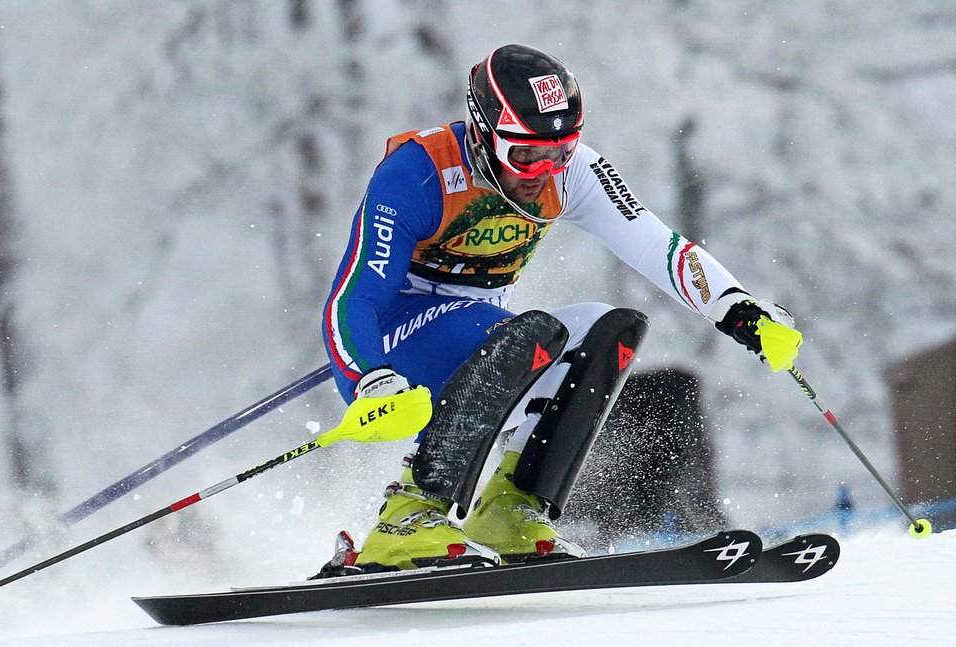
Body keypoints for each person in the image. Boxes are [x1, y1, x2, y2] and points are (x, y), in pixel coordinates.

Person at [321, 44, 801, 571]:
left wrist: (736, 308)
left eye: (561, 152)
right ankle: (407, 516)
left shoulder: (571, 175)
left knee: (607, 329)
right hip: (393, 341)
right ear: (482, 134)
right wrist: (368, 379)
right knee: (526, 332)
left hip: (486, 335)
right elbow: (354, 298)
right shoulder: (418, 174)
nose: (542, 172)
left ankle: (510, 508)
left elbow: (657, 246)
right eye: (524, 155)